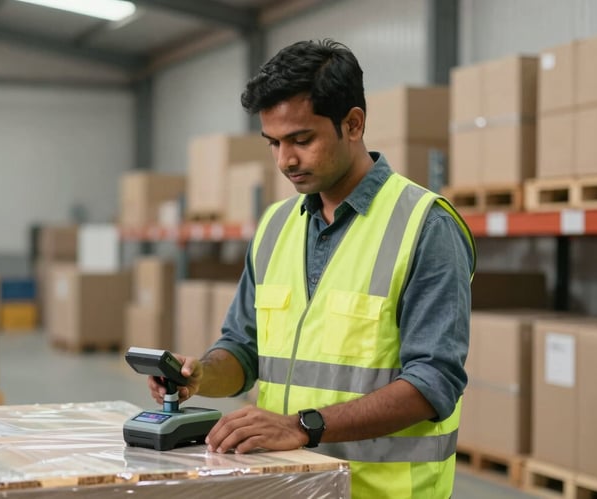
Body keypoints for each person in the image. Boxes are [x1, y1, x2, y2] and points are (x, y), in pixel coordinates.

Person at [147, 39, 476, 498]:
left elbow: (433, 383)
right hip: (287, 486)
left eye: (302, 140)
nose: (285, 160)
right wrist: (202, 374)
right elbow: (244, 350)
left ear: (354, 124)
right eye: (274, 143)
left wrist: (303, 427)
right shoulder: (276, 227)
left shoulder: (426, 226)